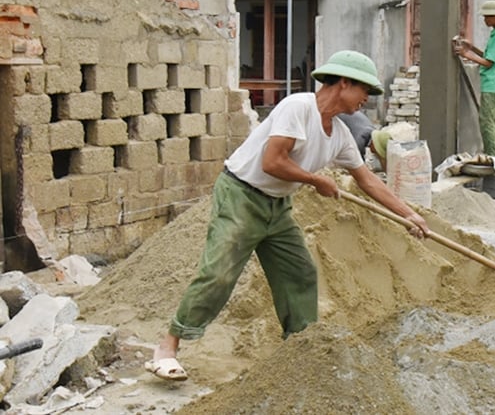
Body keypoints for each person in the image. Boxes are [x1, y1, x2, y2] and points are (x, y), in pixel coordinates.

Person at [145, 50, 429, 381]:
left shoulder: (339, 135)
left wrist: (409, 215)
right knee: (219, 274)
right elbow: (272, 162)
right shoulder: (298, 107)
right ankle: (167, 347)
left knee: (301, 272)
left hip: (277, 207)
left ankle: (299, 351)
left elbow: (367, 181)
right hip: (241, 196)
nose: (366, 99)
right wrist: (315, 180)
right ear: (344, 83)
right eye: (364, 90)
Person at [452, 0, 495, 158]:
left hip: (492, 83)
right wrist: (472, 48)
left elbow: (488, 62)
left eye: (488, 17)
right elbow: (489, 56)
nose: (485, 20)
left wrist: (466, 55)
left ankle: (492, 155)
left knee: (487, 122)